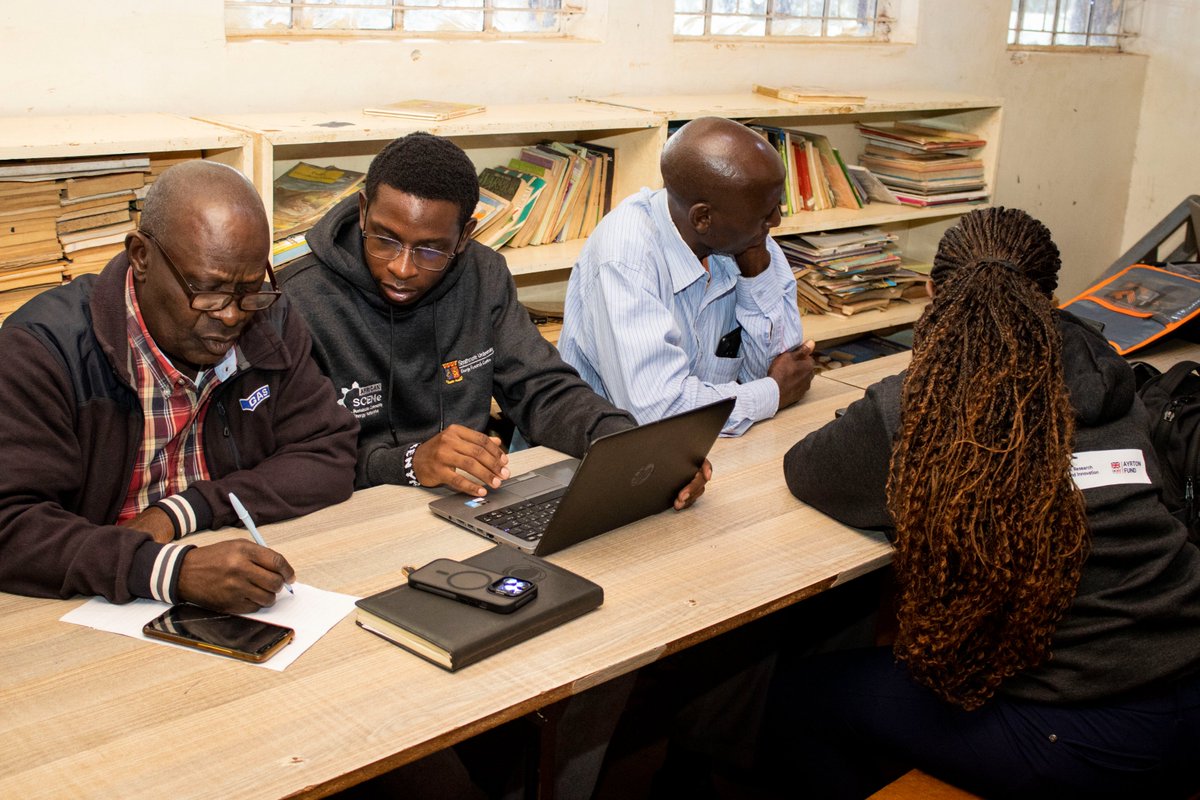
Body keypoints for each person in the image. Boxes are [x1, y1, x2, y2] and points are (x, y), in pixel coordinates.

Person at [774, 207, 1200, 798]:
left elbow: (808, 469)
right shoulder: (1112, 378)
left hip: (1085, 732)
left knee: (804, 697)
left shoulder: (914, 409)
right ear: (1049, 297)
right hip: (1188, 684)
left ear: (930, 294)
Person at [0, 161, 359, 614]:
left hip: (216, 572)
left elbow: (329, 454)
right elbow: (11, 527)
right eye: (208, 291)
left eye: (250, 290)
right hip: (78, 604)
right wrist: (169, 570)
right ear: (141, 257)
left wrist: (185, 511)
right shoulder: (43, 351)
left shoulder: (270, 324)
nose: (232, 316)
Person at [278, 131, 708, 508]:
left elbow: (544, 389)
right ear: (361, 211)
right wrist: (409, 462)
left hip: (464, 501)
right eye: (386, 239)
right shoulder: (298, 300)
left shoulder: (484, 275)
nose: (403, 268)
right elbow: (292, 457)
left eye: (431, 249)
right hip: (350, 511)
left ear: (464, 235)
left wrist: (633, 447)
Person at [557, 116, 815, 436]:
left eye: (776, 206)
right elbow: (660, 412)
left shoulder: (745, 236)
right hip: (615, 451)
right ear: (703, 218)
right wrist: (771, 393)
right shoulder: (625, 260)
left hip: (715, 440)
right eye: (765, 214)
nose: (775, 221)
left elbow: (785, 370)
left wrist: (755, 267)